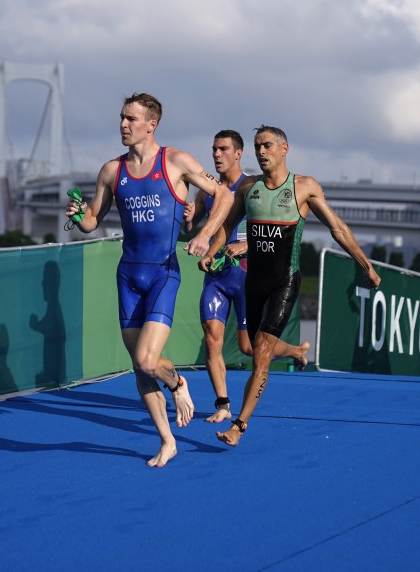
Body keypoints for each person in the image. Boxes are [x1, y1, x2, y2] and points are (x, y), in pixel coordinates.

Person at [65, 92, 232, 467]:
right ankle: (167, 441)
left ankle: (177, 383)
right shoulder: (111, 171)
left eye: (130, 119)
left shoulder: (176, 161)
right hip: (128, 275)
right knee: (138, 366)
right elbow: (92, 222)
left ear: (151, 124)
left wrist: (204, 235)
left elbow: (222, 194)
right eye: (121, 118)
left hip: (163, 273)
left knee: (146, 359)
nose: (122, 125)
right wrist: (79, 216)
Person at [208, 125, 380, 447]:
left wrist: (365, 265)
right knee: (252, 348)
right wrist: (211, 250)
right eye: (258, 146)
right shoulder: (248, 189)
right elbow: (227, 226)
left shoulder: (304, 187)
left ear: (284, 149)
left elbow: (338, 229)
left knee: (260, 353)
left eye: (268, 145)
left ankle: (239, 425)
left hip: (284, 281)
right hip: (254, 282)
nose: (261, 152)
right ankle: (299, 351)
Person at [183, 130, 308, 424]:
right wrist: (189, 216)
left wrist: (246, 245)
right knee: (212, 339)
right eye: (213, 149)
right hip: (217, 276)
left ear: (239, 154)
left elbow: (273, 230)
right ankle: (223, 404)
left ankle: (294, 351)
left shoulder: (253, 186)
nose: (216, 155)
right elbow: (193, 228)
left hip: (246, 275)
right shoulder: (206, 191)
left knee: (248, 348)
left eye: (223, 149)